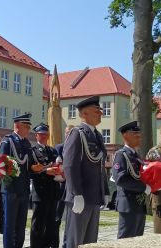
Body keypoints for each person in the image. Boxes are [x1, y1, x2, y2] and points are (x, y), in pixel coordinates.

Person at [63, 96, 108, 248]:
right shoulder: (77, 133)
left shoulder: (97, 136)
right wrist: (76, 194)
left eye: (100, 111)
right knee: (76, 240)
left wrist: (105, 191)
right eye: (96, 111)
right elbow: (70, 165)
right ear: (84, 114)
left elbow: (100, 168)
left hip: (94, 196)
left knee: (90, 241)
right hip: (81, 196)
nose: (100, 113)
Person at [0, 113, 34, 248]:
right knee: (9, 223)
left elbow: (28, 165)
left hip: (23, 189)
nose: (28, 129)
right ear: (17, 126)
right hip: (10, 189)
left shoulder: (26, 142)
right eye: (26, 126)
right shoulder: (7, 141)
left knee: (21, 223)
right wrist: (9, 188)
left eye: (29, 126)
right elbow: (2, 165)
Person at [112, 121, 151, 239]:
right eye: (136, 136)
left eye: (140, 136)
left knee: (137, 240)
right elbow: (120, 179)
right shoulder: (121, 155)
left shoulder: (136, 156)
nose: (139, 138)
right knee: (126, 240)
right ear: (125, 136)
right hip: (128, 204)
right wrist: (144, 187)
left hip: (139, 203)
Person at [30, 123, 62, 248]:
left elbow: (58, 165)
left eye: (46, 134)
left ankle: (50, 245)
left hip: (53, 192)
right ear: (36, 135)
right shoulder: (33, 151)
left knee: (51, 223)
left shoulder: (52, 150)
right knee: (38, 224)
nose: (44, 136)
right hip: (40, 192)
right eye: (41, 134)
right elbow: (31, 171)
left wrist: (60, 170)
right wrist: (45, 171)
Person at [54, 125, 73, 248]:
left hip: (72, 187)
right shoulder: (58, 148)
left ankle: (67, 244)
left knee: (71, 219)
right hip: (60, 186)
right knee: (57, 217)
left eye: (71, 133)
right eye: (67, 133)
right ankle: (54, 243)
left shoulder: (77, 148)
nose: (68, 135)